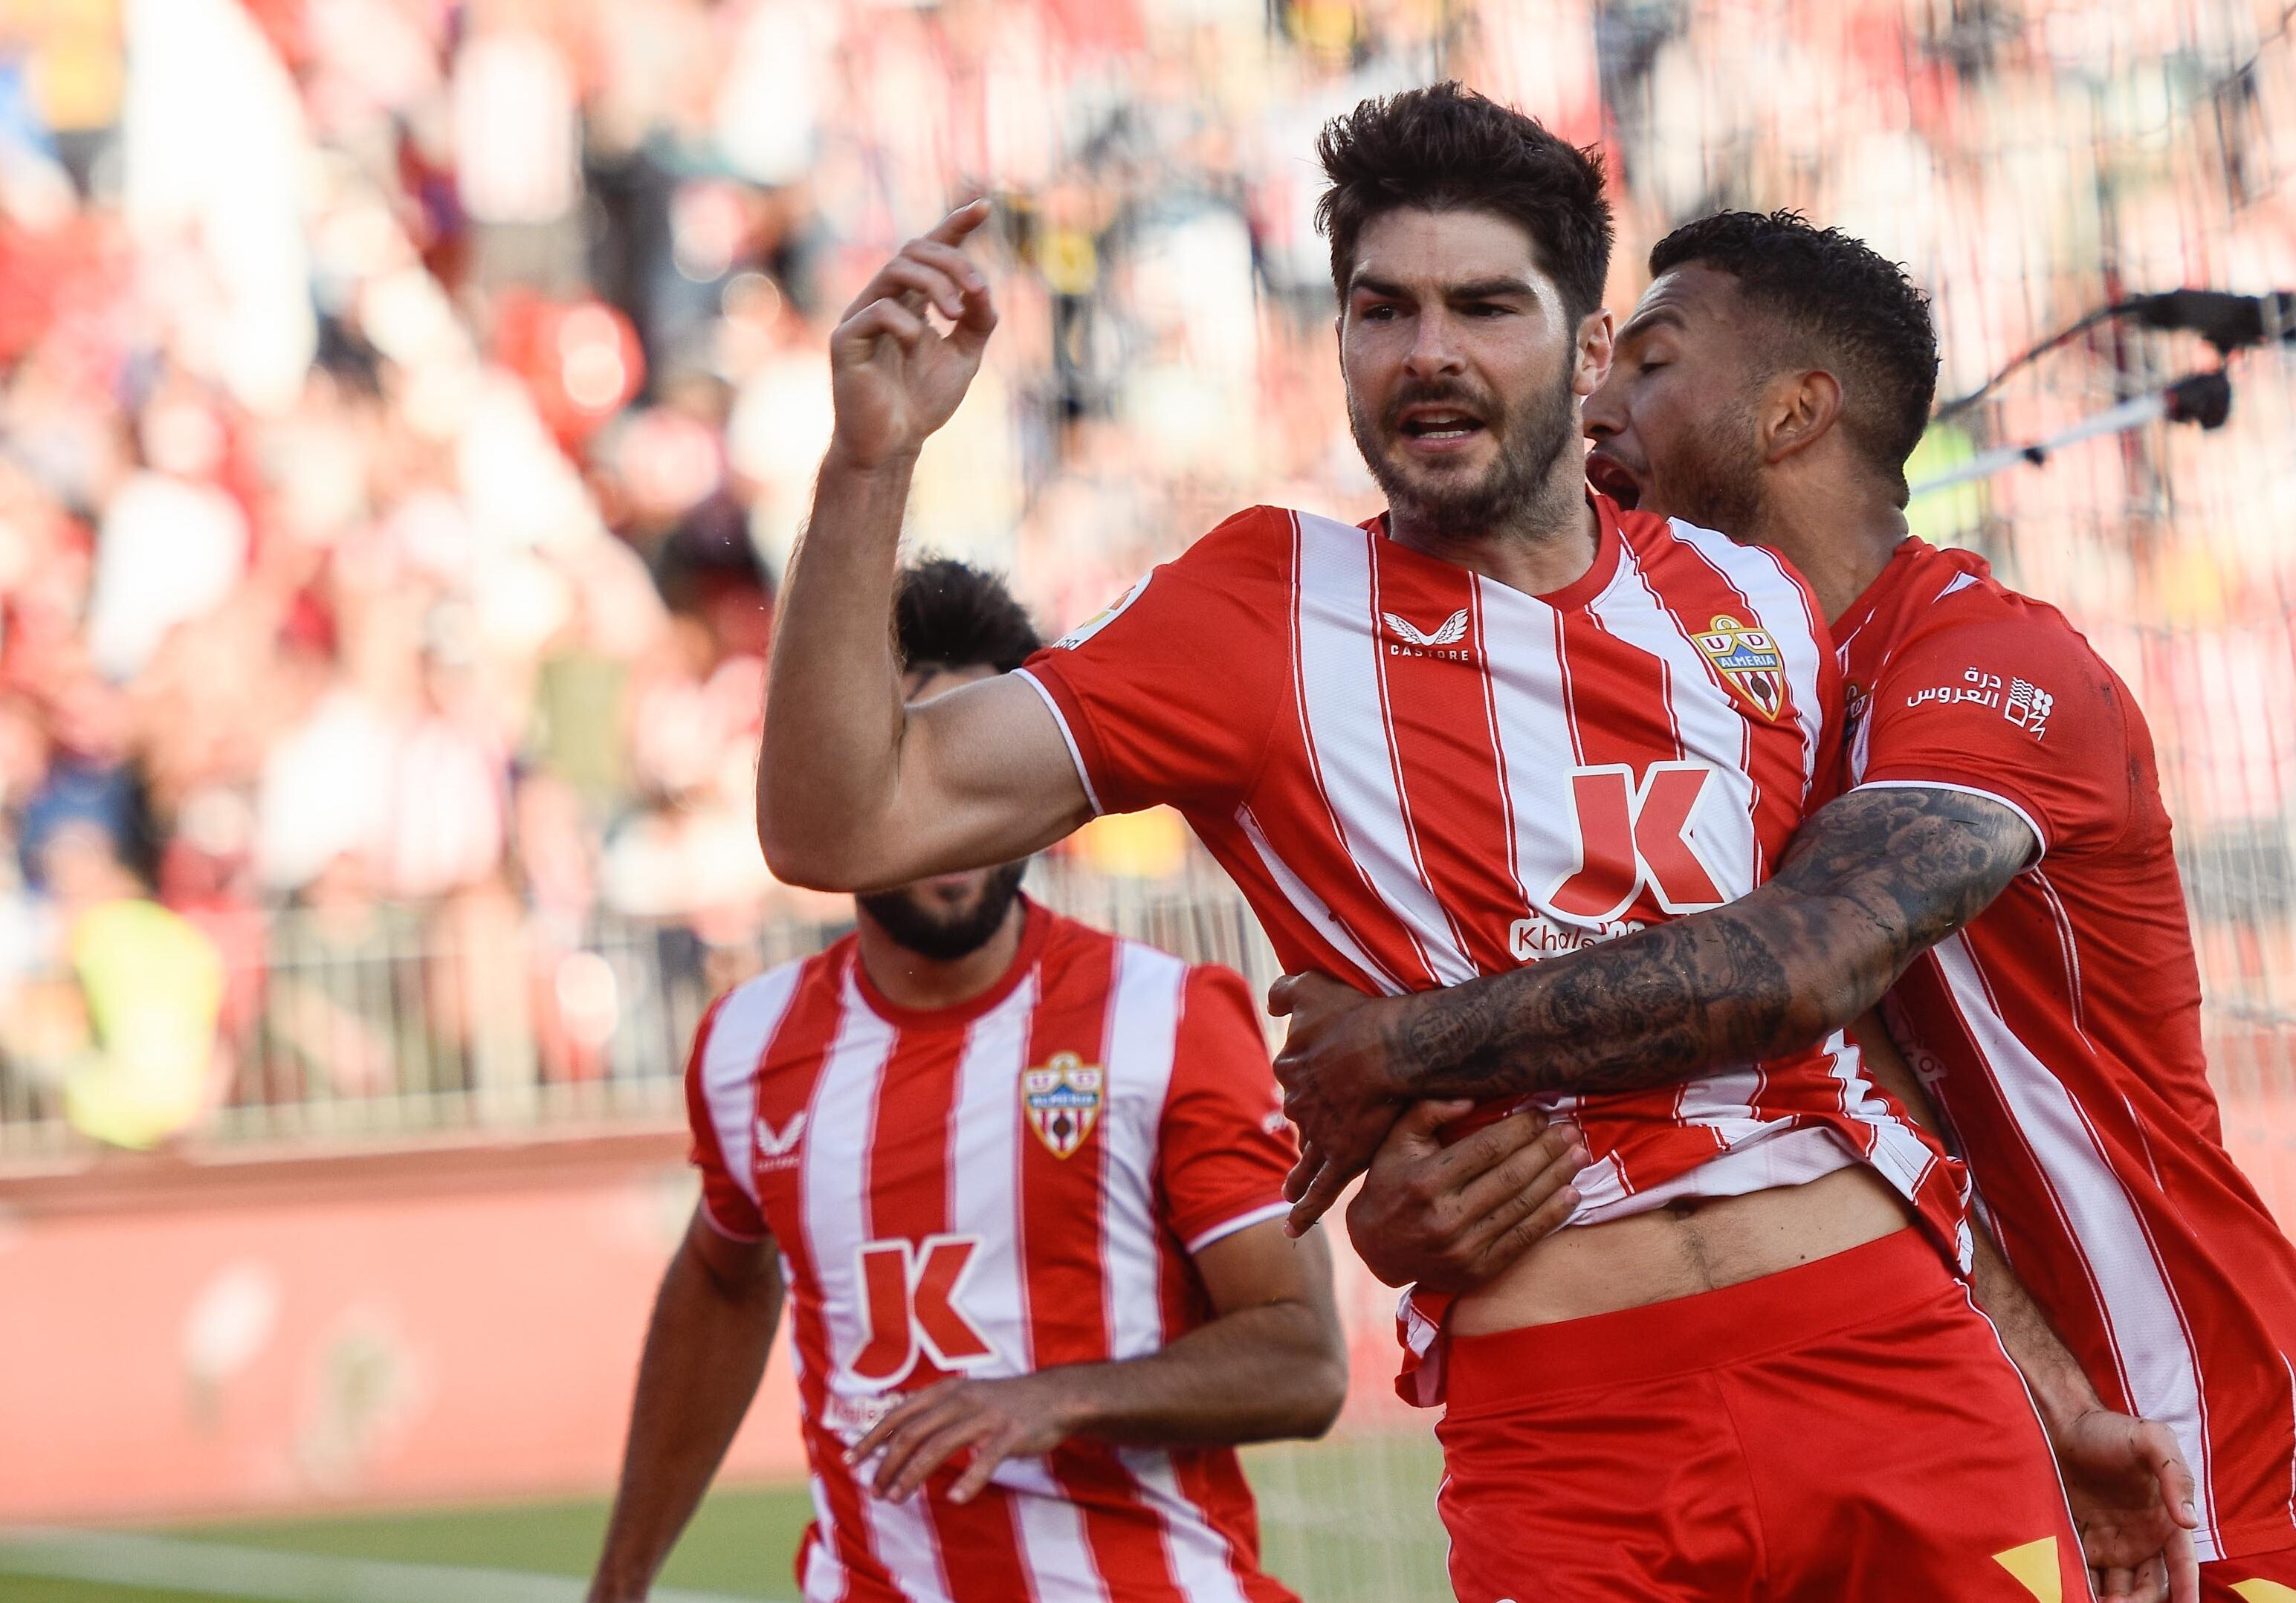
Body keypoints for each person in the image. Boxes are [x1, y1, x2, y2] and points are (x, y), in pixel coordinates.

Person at [757, 82, 2089, 1602]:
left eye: (1483, 306)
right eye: (1380, 310)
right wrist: (867, 464)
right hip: (1572, 1436)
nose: (1428, 350)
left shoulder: (1754, 606)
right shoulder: (1257, 608)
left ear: (1588, 350)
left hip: (1888, 1359)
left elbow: (1851, 1023)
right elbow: (838, 821)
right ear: (1337, 346)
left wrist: (2039, 1362)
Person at [1270, 209, 2296, 1602]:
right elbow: (1792, 1088)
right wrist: (1416, 1194)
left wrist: (1400, 1043)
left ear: (1796, 412)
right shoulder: (1705, 713)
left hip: (2176, 1420)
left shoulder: (1987, 662)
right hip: (1922, 1401)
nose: (1594, 397)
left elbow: (1801, 970)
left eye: (1651, 361)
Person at [589, 560, 1345, 1603]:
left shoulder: (1165, 1020)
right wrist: (622, 1576)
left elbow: (1304, 1359)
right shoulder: (748, 1045)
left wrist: (1055, 1398)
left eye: (976, 763)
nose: (950, 817)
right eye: (912, 757)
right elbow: (723, 1276)